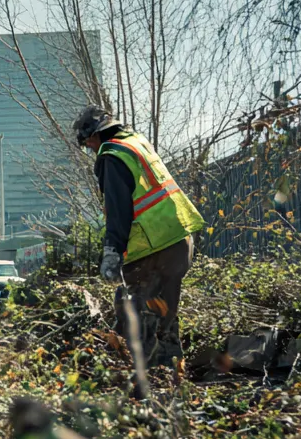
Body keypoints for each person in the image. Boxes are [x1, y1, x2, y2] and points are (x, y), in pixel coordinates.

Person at [74, 105, 206, 368]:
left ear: (95, 135)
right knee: (164, 312)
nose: (90, 149)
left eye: (88, 143)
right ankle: (171, 373)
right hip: (179, 241)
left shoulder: (111, 156)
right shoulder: (136, 143)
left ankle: (148, 382)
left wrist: (112, 252)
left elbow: (118, 211)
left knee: (142, 316)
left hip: (153, 250)